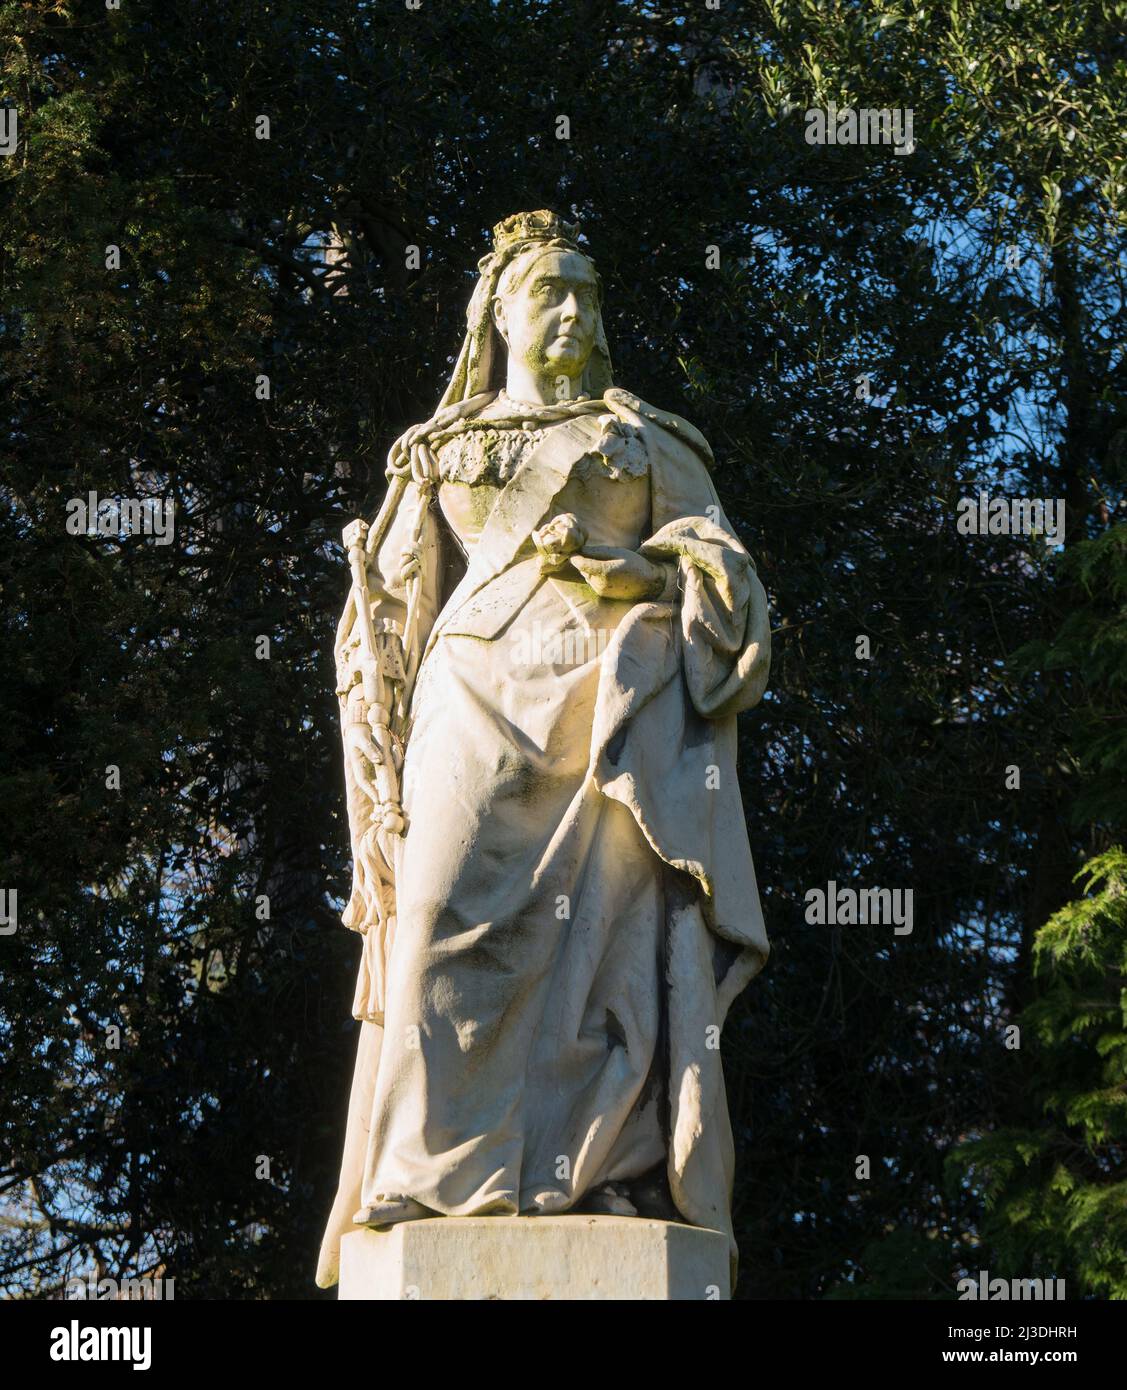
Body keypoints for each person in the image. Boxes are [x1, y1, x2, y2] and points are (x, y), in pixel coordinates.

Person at [316, 210, 771, 1290]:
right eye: (547, 292)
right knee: (429, 923)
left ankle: (601, 1166)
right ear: (500, 312)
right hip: (469, 699)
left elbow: (732, 590)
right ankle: (427, 1173)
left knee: (605, 958)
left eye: (585, 292)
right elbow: (388, 623)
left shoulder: (647, 441)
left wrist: (652, 582)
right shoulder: (436, 452)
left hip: (608, 714)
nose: (570, 310)